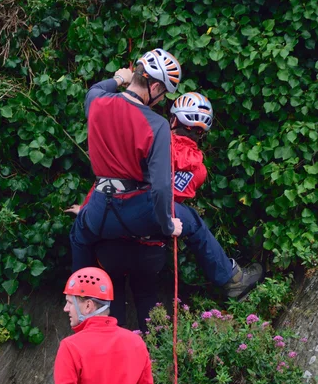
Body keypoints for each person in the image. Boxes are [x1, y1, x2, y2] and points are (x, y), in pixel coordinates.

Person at [70, 62, 263, 299]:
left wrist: (87, 207)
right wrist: (168, 224)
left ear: (174, 120)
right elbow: (167, 191)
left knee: (79, 236)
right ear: (201, 132)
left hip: (110, 213)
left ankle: (78, 296)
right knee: (192, 220)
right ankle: (232, 278)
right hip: (151, 220)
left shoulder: (144, 126)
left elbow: (116, 176)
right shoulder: (193, 164)